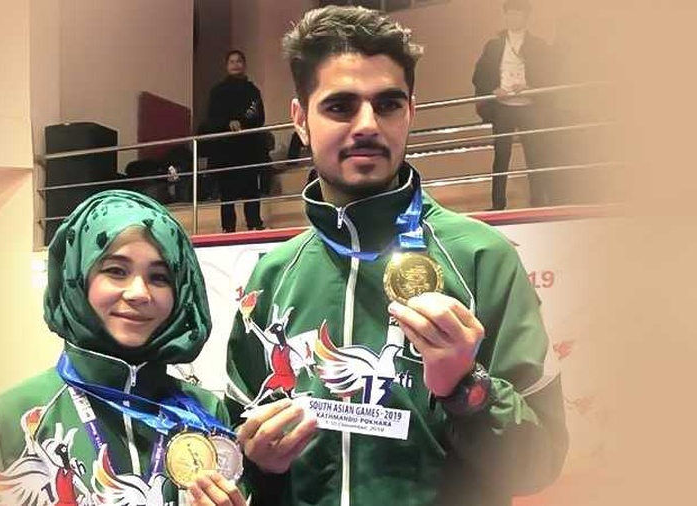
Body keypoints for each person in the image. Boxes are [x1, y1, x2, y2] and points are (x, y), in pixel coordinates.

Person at [225, 6, 568, 506]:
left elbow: (539, 462)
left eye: (386, 104)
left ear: (410, 110)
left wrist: (465, 388)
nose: (367, 125)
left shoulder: (480, 258)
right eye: (340, 107)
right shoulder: (272, 276)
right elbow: (238, 458)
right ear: (300, 118)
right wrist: (256, 467)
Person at [0, 190, 245, 506]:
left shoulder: (205, 414)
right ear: (78, 279)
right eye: (116, 271)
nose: (139, 293)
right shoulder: (9, 420)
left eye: (159, 277)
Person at [472, 0, 553, 210]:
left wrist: (530, 86)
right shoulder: (494, 45)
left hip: (529, 105)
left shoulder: (539, 45)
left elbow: (550, 74)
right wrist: (493, 90)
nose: (513, 17)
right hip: (503, 106)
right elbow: (479, 75)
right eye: (510, 13)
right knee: (501, 156)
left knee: (535, 154)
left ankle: (538, 202)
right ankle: (498, 204)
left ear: (526, 17)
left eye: (517, 13)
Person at [204, 50, 267, 232]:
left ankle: (254, 224)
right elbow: (211, 118)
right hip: (226, 151)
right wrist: (227, 122)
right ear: (226, 66)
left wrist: (243, 123)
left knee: (251, 190)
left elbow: (259, 117)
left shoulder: (253, 91)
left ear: (244, 65)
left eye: (239, 61)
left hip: (249, 148)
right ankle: (228, 228)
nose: (235, 64)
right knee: (227, 193)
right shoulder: (218, 91)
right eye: (231, 61)